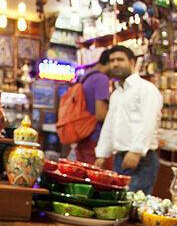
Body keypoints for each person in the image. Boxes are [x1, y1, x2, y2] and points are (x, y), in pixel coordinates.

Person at [94, 45, 163, 195]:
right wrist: (102, 154)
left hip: (141, 160)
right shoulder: (117, 94)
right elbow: (110, 126)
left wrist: (136, 151)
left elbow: (148, 122)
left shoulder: (146, 89)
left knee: (132, 204)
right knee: (118, 201)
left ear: (132, 62)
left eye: (120, 59)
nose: (115, 64)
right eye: (112, 61)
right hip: (120, 158)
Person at [69, 51, 111, 164]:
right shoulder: (101, 79)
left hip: (82, 134)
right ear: (108, 62)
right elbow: (101, 114)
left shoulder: (86, 76)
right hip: (95, 136)